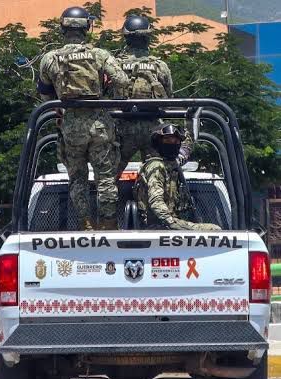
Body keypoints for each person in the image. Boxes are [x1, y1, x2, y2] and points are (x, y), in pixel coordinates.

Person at [38, 6, 129, 230]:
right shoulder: (99, 55)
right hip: (100, 125)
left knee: (77, 178)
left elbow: (45, 96)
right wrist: (112, 96)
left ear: (63, 28)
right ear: (87, 28)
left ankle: (85, 224)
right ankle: (108, 224)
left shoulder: (50, 58)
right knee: (105, 178)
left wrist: (60, 113)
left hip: (71, 128)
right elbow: (123, 81)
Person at [115, 15, 192, 174]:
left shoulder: (115, 64)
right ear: (148, 37)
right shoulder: (159, 65)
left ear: (126, 37)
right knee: (157, 174)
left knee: (108, 178)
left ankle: (104, 199)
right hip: (153, 128)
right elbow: (168, 97)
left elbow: (106, 93)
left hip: (122, 128)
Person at [134, 124, 221, 231]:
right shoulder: (156, 166)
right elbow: (156, 201)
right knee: (214, 229)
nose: (173, 144)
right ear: (158, 142)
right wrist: (172, 223)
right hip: (158, 227)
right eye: (168, 140)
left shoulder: (173, 163)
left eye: (176, 141)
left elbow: (186, 148)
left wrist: (190, 120)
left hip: (171, 225)